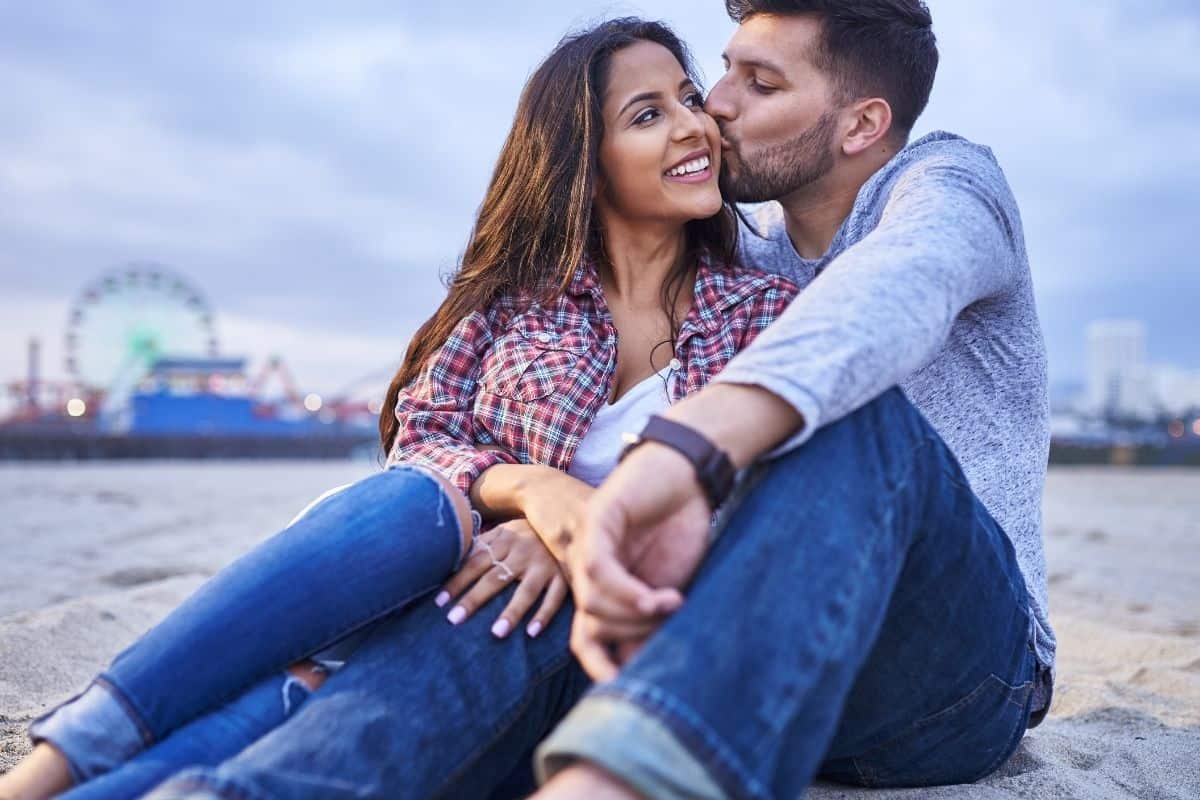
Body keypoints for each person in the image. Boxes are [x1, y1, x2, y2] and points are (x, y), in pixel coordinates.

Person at [96, 1, 1053, 798]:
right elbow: (474, 434)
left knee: (851, 418)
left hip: (949, 674)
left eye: (758, 86)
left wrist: (679, 455)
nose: (714, 107)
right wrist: (547, 516)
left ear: (860, 125)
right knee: (519, 594)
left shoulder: (945, 189)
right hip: (744, 657)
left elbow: (887, 300)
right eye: (720, 72)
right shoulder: (733, 257)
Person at [0, 17, 799, 800]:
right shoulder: (515, 303)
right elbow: (425, 438)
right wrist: (532, 492)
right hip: (424, 576)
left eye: (690, 99)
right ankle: (61, 759)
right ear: (586, 165)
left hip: (556, 636)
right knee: (414, 505)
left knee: (401, 657)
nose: (695, 126)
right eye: (648, 114)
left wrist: (584, 536)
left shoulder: (764, 313)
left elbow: (765, 501)